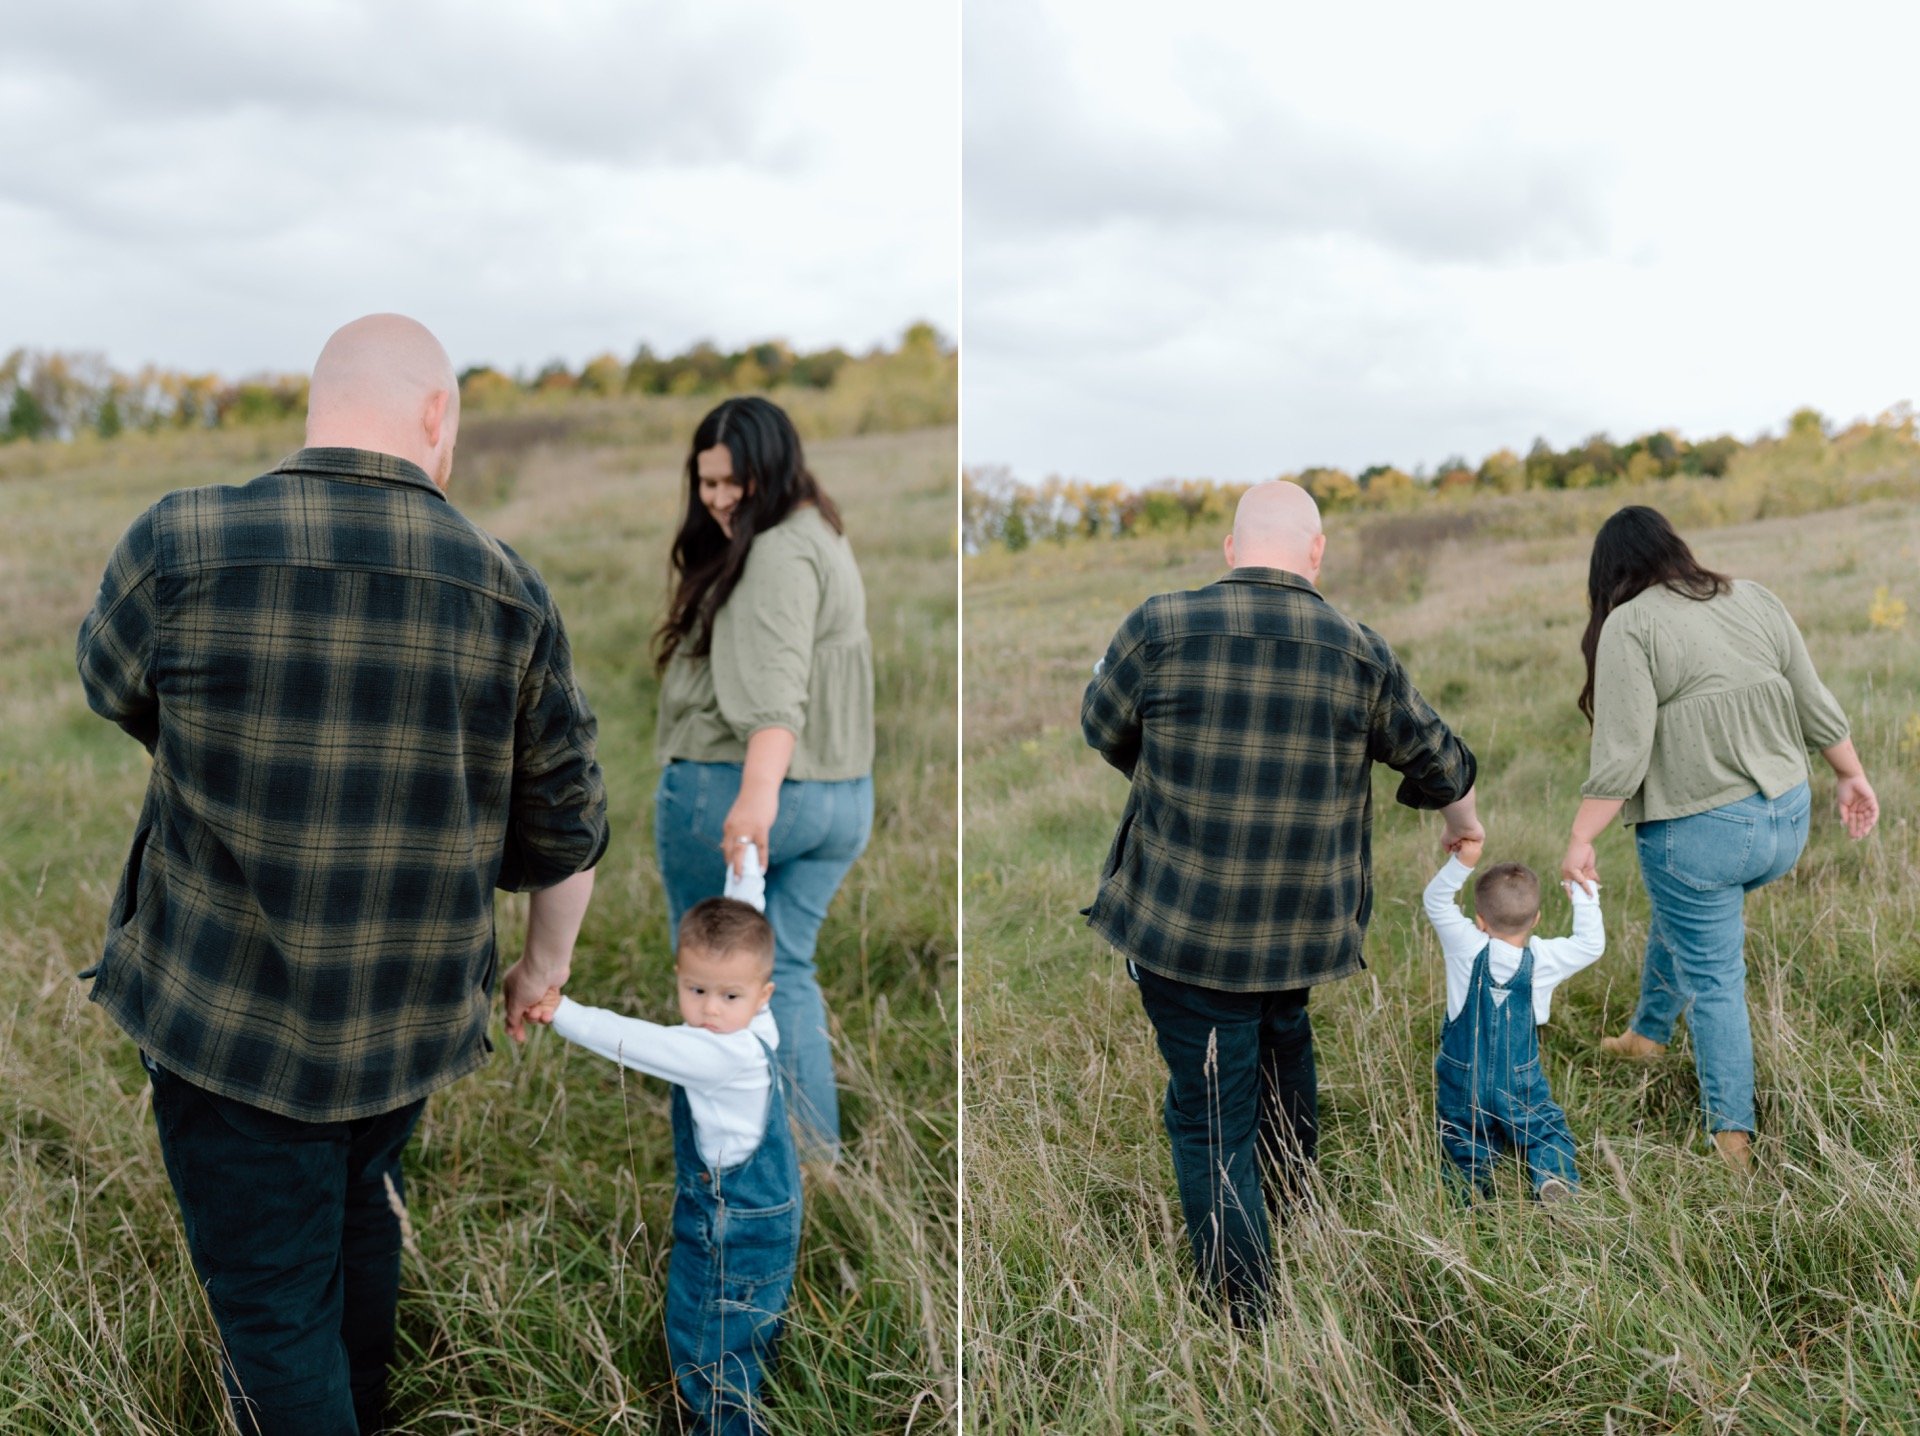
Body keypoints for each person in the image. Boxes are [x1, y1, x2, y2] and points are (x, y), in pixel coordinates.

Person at [75, 314, 609, 1435]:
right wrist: (538, 969)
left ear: (318, 406)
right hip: (404, 1026)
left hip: (227, 1027)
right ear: (435, 416)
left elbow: (115, 686)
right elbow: (567, 829)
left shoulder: (178, 542)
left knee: (274, 1305)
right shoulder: (508, 589)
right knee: (359, 1201)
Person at [1081, 479, 1482, 1324]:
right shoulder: (1358, 648)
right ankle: (1291, 1210)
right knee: (1278, 1037)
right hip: (1301, 929)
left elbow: (1103, 725)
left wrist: (1171, 775)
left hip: (1184, 929)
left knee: (1212, 1115)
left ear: (1230, 550)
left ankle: (1246, 1313)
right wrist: (1463, 824)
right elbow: (1441, 759)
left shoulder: (1158, 625)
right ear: (1316, 553)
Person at [1559, 505, 1879, 1171]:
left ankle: (1732, 1140)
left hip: (1707, 836)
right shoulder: (1752, 596)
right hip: (1787, 820)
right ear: (1675, 547)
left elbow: (1621, 755)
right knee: (1683, 911)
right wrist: (1850, 776)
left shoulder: (1629, 624)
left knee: (1715, 979)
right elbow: (1813, 699)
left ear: (1609, 576)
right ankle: (1648, 1035)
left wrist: (1580, 838)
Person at [651, 395, 874, 1162]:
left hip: (746, 792)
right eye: (705, 481)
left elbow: (777, 697)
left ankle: (726, 1171)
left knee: (709, 986)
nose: (716, 498)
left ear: (768, 469)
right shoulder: (820, 531)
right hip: (842, 795)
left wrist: (755, 801)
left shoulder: (775, 550)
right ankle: (813, 1161)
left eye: (731, 481)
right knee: (787, 974)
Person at [529, 892, 799, 1436]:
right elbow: (742, 924)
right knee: (743, 1338)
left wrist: (564, 1012)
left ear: (762, 994)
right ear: (679, 976)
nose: (711, 1009)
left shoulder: (716, 1053)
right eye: (696, 990)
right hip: (767, 1221)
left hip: (729, 1234)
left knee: (707, 1348)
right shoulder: (758, 1025)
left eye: (729, 995)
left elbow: (637, 1041)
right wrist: (744, 869)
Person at [1423, 838, 1604, 1202]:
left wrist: (1464, 861)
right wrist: (1585, 893)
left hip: (1462, 1077)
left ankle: (1470, 1191)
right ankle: (1553, 1179)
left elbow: (1435, 901)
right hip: (1520, 1080)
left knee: (1463, 1136)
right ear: (1536, 919)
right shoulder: (1545, 958)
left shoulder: (1464, 944)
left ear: (1479, 920)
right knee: (1544, 1128)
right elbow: (1590, 945)